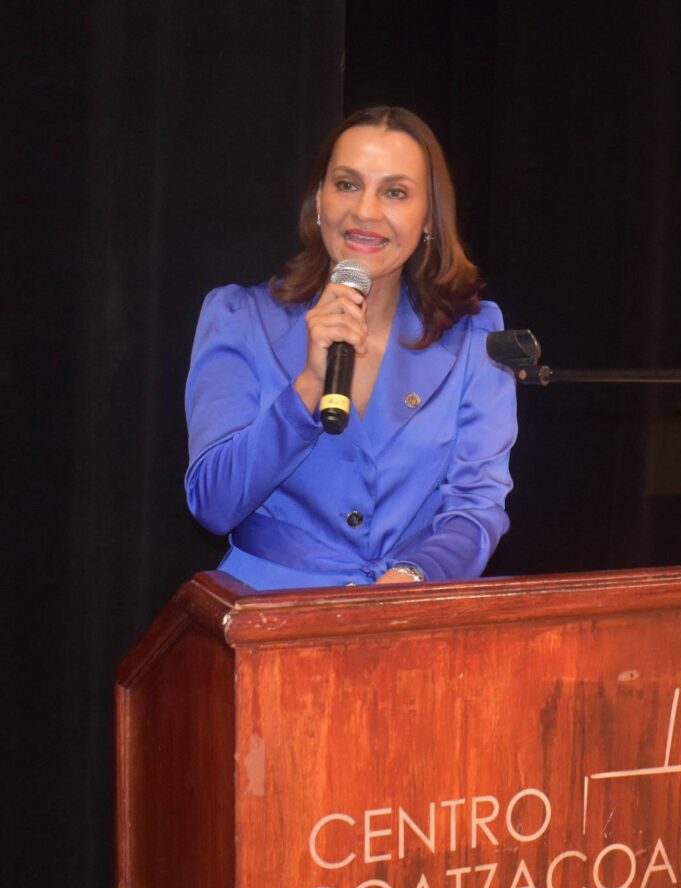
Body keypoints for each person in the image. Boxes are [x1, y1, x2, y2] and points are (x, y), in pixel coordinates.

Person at [185, 106, 517, 590]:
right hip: (265, 611)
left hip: (405, 613)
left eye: (395, 192)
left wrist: (414, 576)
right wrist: (308, 386)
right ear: (319, 199)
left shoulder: (473, 336)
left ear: (429, 216)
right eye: (347, 184)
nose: (366, 211)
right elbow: (213, 504)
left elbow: (476, 505)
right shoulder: (239, 318)